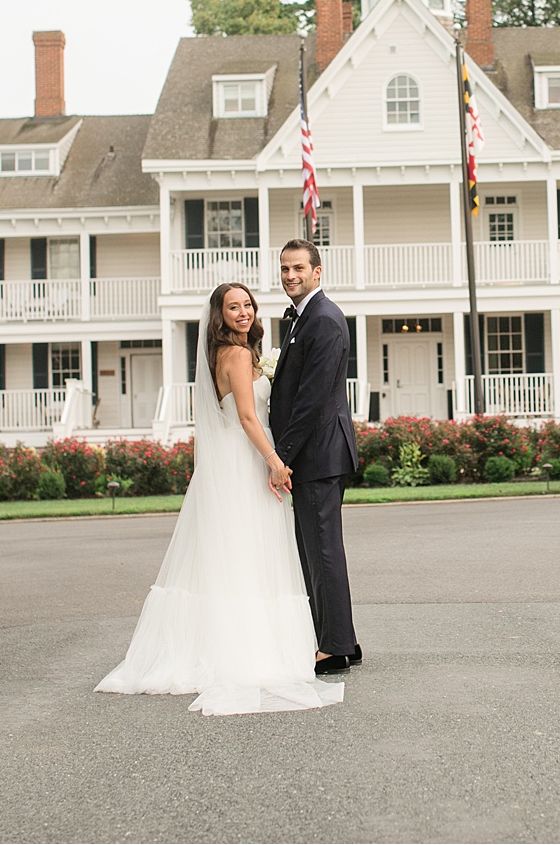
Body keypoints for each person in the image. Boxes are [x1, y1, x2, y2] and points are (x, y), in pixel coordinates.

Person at [94, 282, 343, 715]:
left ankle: (214, 645)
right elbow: (248, 416)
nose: (243, 312)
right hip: (244, 461)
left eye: (247, 304)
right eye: (233, 307)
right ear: (220, 315)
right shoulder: (240, 355)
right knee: (250, 554)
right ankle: (250, 650)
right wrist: (275, 461)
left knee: (227, 555)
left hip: (225, 463)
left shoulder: (221, 354)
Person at [268, 239, 361, 675]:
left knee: (322, 552)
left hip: (318, 455)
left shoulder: (323, 320)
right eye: (285, 268)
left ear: (317, 271)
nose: (290, 275)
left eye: (298, 268)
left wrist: (280, 457)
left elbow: (311, 400)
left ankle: (336, 647)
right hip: (314, 455)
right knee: (316, 551)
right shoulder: (302, 319)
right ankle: (339, 638)